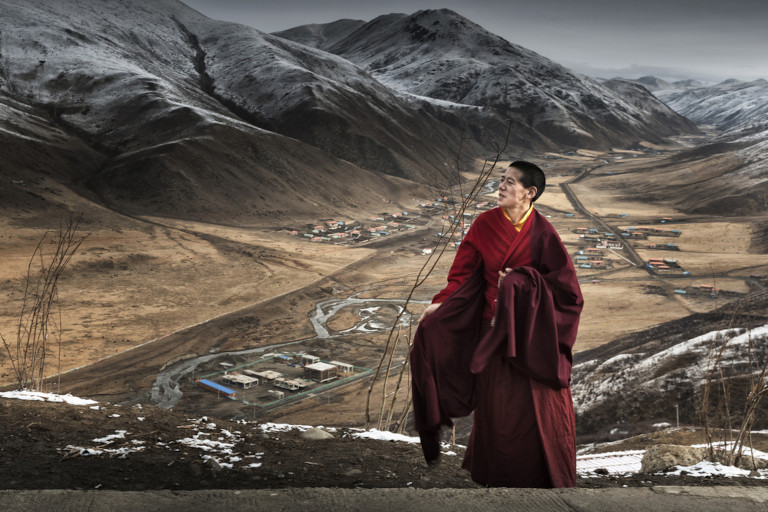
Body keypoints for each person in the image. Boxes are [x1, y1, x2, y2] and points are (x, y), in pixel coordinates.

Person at [411, 161, 583, 488]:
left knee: (540, 408)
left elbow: (568, 293)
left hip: (530, 339)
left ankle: (546, 479)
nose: (501, 186)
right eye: (501, 180)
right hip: (492, 335)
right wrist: (443, 302)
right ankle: (496, 479)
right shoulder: (485, 225)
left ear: (530, 193)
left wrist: (523, 282)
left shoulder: (544, 234)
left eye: (510, 182)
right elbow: (463, 274)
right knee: (497, 408)